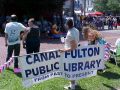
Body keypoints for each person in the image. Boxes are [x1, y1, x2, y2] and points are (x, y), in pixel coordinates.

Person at [60, 19, 79, 90]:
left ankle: (72, 86)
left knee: (71, 70)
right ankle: (74, 83)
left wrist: (64, 50)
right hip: (75, 53)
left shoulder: (70, 33)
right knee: (74, 69)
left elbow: (73, 47)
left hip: (70, 54)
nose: (65, 25)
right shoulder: (76, 30)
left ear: (67, 25)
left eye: (65, 24)